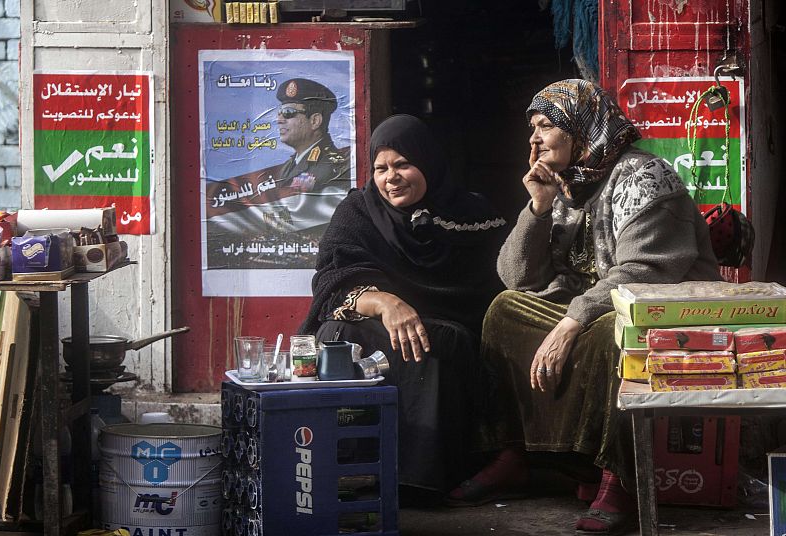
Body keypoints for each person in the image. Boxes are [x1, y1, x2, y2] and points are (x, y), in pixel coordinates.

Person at [447, 79, 722, 534]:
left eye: (545, 126)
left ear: (581, 129)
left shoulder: (645, 176)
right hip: (592, 308)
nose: (533, 139)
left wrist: (573, 319)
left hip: (655, 310)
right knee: (505, 310)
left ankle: (619, 478)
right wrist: (537, 208)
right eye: (531, 127)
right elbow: (518, 278)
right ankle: (514, 455)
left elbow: (648, 270)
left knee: (613, 332)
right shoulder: (565, 186)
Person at [300, 114, 508, 501]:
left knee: (435, 343)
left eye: (402, 164)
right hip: (378, 322)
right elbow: (330, 285)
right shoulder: (358, 212)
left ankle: (417, 480)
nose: (390, 177)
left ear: (427, 162)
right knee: (335, 335)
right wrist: (385, 302)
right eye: (381, 168)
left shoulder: (472, 215)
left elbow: (498, 288)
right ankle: (345, 466)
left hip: (449, 330)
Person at [205, 78, 352, 268]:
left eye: (288, 113)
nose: (279, 119)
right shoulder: (288, 167)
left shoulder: (333, 167)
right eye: (280, 112)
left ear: (315, 121)